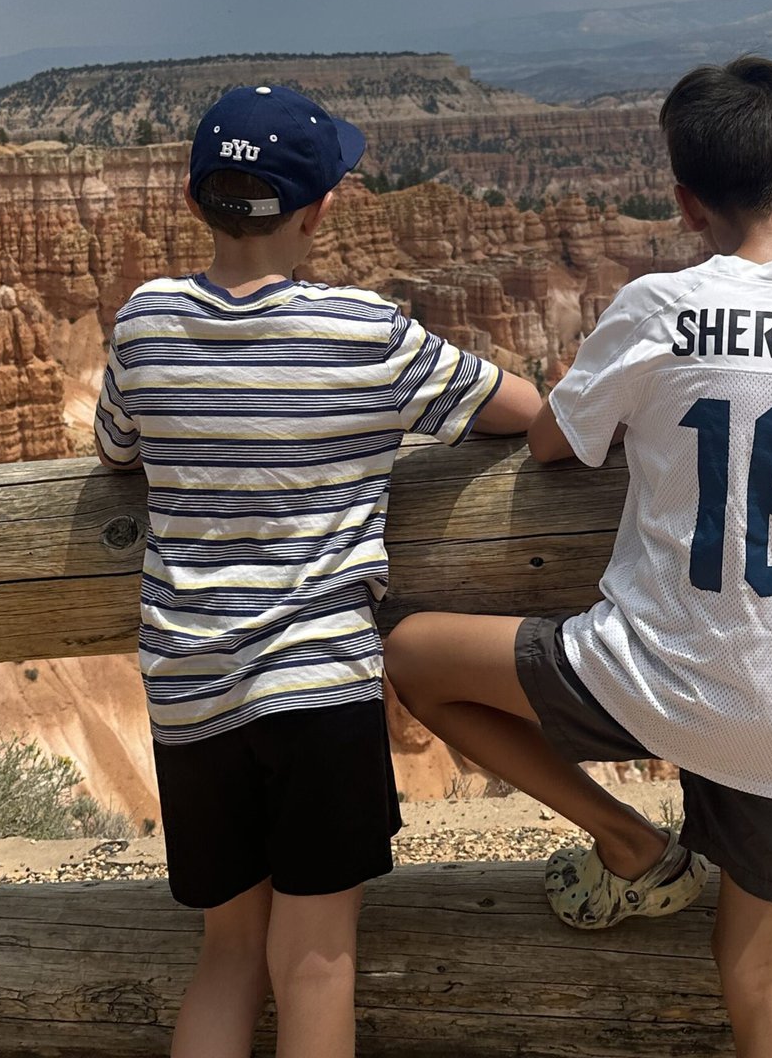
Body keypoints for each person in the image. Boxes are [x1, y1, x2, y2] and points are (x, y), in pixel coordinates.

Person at [385, 55, 772, 1058]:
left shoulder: (657, 308)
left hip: (644, 675)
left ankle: (631, 843)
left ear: (685, 202)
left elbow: (556, 439)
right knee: (759, 960)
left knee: (414, 654)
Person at [93, 83, 541, 1058]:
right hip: (319, 686)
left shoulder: (144, 321)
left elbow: (115, 448)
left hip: (189, 687)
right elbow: (522, 406)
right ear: (319, 211)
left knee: (226, 957)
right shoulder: (367, 334)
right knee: (316, 961)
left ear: (194, 199)